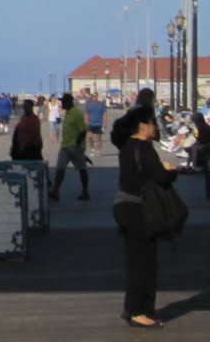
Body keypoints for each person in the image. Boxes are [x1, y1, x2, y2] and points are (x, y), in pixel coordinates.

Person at [112, 105, 178, 328]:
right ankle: (139, 311)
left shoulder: (126, 145)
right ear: (143, 125)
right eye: (152, 123)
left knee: (135, 260)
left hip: (124, 206)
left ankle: (132, 308)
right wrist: (170, 169)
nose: (155, 127)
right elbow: (160, 177)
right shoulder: (144, 147)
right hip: (139, 210)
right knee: (145, 262)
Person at [51, 92, 91, 201]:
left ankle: (85, 192)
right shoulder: (67, 113)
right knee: (60, 169)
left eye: (63, 101)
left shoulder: (77, 113)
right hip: (65, 147)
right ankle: (55, 191)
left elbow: (83, 130)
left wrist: (76, 145)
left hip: (75, 148)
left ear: (68, 102)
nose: (61, 103)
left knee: (82, 169)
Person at [86, 91, 107, 156]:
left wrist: (105, 123)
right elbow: (87, 114)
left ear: (97, 97)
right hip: (91, 123)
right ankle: (92, 150)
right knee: (89, 137)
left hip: (99, 123)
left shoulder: (101, 104)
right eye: (92, 96)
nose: (93, 97)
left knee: (98, 138)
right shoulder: (89, 104)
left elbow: (105, 114)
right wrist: (86, 121)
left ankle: (98, 151)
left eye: (95, 96)